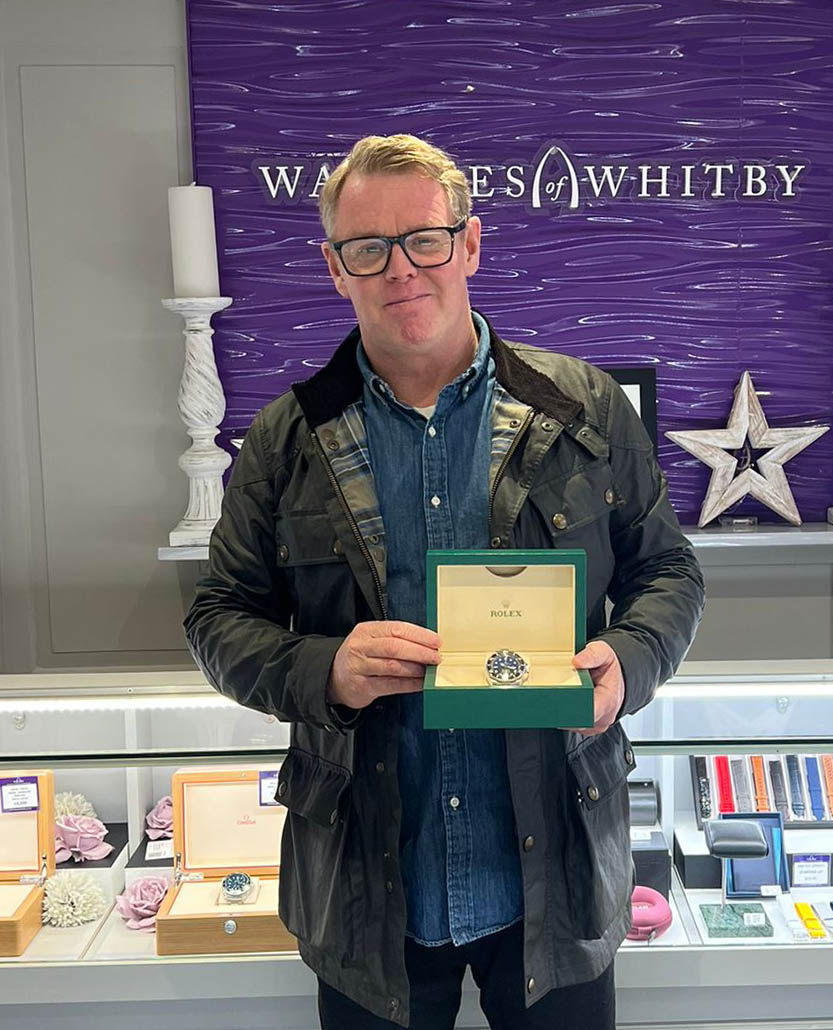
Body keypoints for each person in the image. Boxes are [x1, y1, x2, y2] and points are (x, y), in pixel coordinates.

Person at [183, 133, 705, 1030]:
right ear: (335, 267)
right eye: (367, 248)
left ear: (468, 244)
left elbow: (668, 570)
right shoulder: (285, 438)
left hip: (556, 874)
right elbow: (216, 615)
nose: (401, 269)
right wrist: (325, 669)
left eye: (425, 239)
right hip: (368, 890)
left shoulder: (583, 408)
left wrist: (629, 661)